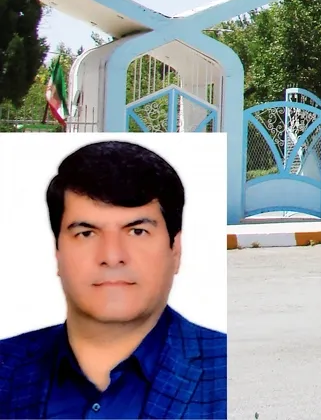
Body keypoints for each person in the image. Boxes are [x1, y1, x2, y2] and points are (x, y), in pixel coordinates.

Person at [0, 140, 227, 419]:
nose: (112, 256)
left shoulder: (226, 368)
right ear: (57, 252)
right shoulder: (6, 366)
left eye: (137, 232)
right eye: (86, 233)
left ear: (175, 250)